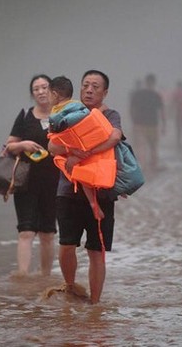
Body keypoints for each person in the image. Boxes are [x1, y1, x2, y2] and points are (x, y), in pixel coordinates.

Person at [48, 70, 123, 304]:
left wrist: (84, 153)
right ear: (80, 89)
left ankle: (95, 304)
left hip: (102, 191)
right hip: (68, 190)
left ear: (105, 92)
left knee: (96, 250)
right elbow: (52, 147)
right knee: (66, 244)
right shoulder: (70, 112)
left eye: (95, 86)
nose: (89, 90)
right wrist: (73, 151)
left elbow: (114, 137)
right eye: (86, 85)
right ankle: (70, 288)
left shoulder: (111, 115)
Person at [3, 74, 60, 277]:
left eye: (44, 87)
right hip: (26, 180)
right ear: (32, 93)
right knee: (26, 231)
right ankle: (23, 276)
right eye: (36, 88)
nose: (41, 91)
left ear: (53, 91)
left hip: (54, 181)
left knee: (47, 233)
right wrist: (22, 145)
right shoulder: (25, 116)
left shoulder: (61, 115)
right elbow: (8, 146)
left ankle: (45, 277)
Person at [48, 75, 104, 220]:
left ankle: (92, 203)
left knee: (81, 175)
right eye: (85, 86)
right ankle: (96, 201)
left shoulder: (57, 113)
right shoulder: (78, 105)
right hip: (86, 144)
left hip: (79, 146)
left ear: (54, 94)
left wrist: (73, 151)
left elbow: (53, 140)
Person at [129, 73, 166, 173]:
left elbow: (132, 109)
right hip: (152, 124)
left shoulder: (138, 94)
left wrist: (133, 121)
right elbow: (161, 111)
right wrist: (164, 125)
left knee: (142, 145)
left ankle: (144, 166)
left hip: (140, 123)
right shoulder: (156, 95)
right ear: (153, 83)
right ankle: (152, 165)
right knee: (152, 145)